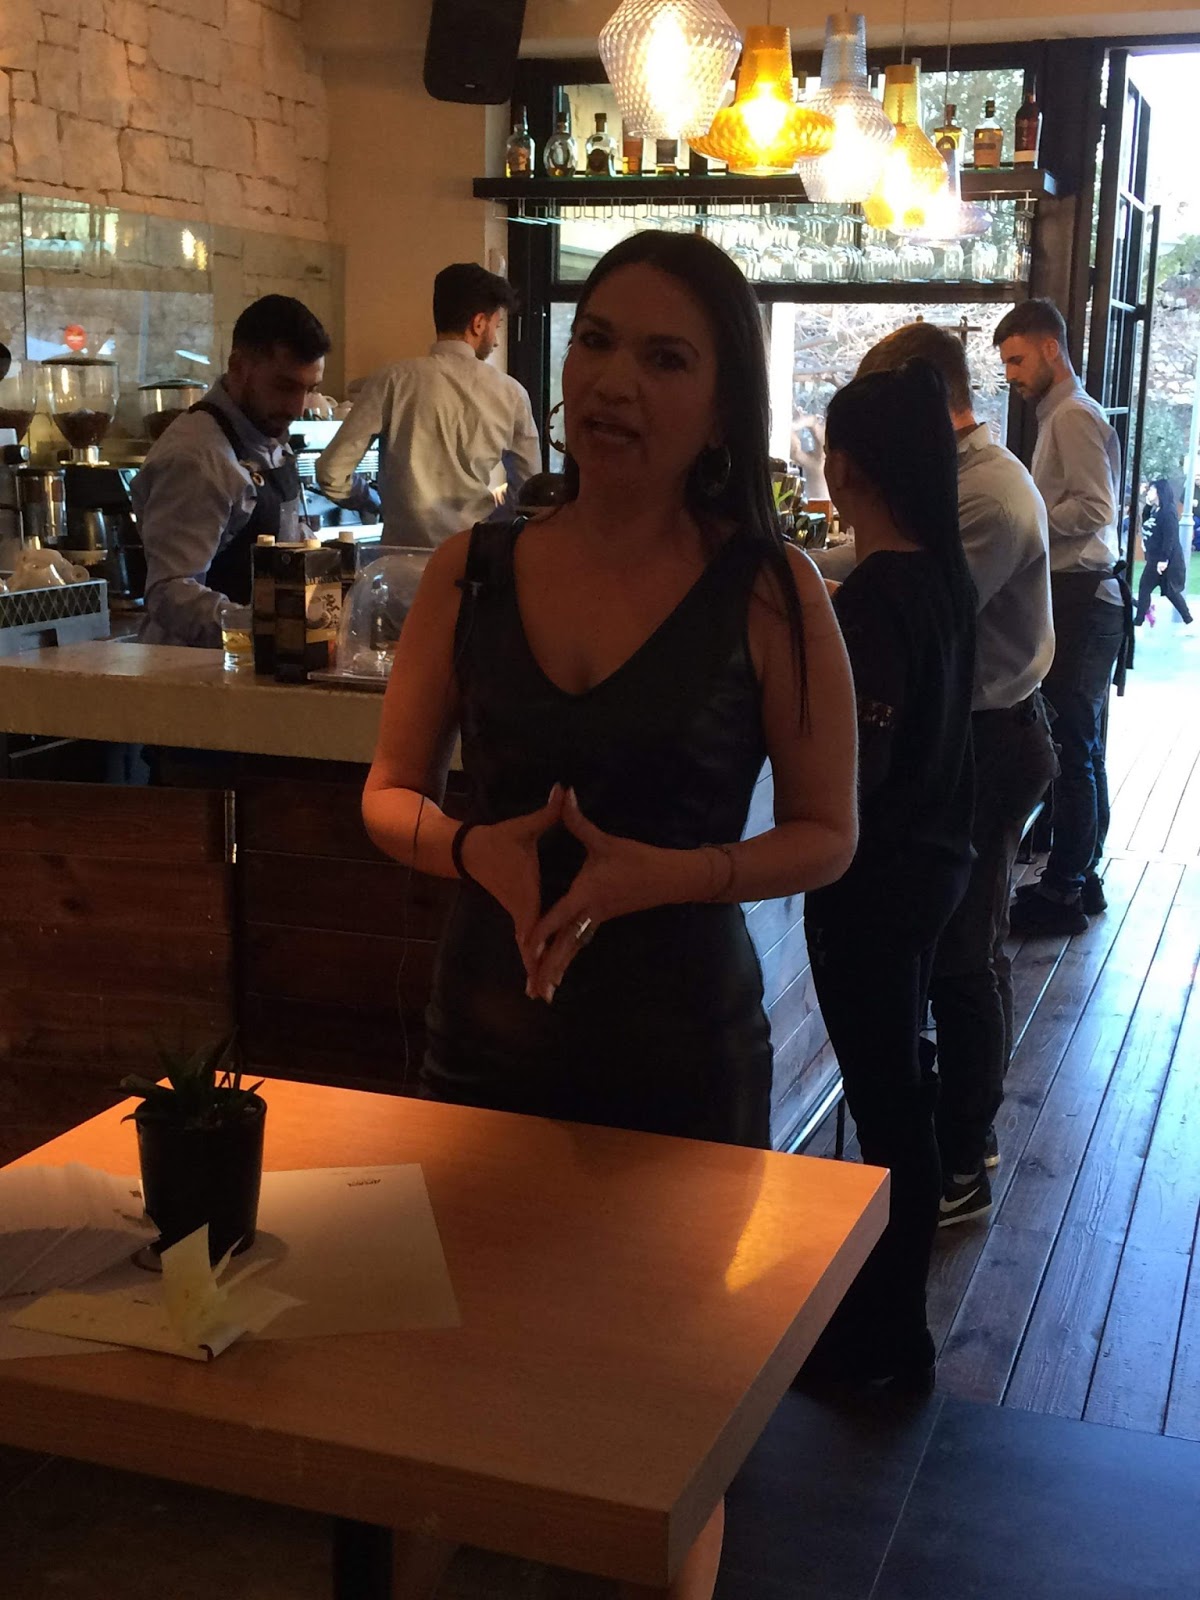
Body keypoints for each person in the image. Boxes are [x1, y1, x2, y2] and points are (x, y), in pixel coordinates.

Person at [361, 229, 858, 1599]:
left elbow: (829, 835)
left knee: (668, 1427)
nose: (615, 380)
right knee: (448, 1400)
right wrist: (473, 849)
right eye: (595, 342)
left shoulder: (774, 590)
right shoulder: (471, 569)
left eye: (666, 357)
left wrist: (670, 873)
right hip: (484, 1045)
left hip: (682, 1058)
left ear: (722, 406)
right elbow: (389, 796)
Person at [856, 322, 1057, 1223]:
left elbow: (916, 611)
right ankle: (962, 1132)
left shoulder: (986, 498)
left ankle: (963, 1159)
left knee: (965, 955)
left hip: (991, 738)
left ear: (926, 401)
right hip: (977, 732)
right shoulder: (960, 480)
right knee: (961, 948)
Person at [802, 361, 976, 1390]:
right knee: (902, 1087)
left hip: (874, 884)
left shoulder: (875, 600)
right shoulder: (944, 576)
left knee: (887, 1107)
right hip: (934, 865)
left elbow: (852, 775)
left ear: (847, 469)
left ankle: (889, 1336)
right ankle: (890, 1323)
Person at [994, 299, 1129, 937]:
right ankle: (1081, 876)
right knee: (1084, 746)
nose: (1012, 375)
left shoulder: (1072, 414)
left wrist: (1029, 520)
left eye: (1018, 360)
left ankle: (1064, 890)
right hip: (1090, 596)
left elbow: (1096, 507)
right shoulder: (1066, 413)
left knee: (1072, 748)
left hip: (1081, 593)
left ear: (1052, 348)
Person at [135, 295, 331, 648]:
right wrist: (265, 630)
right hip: (194, 669)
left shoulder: (267, 435)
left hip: (253, 664)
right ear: (238, 366)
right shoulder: (197, 458)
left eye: (310, 390)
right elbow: (170, 593)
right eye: (285, 386)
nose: (297, 407)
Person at [316, 263, 541, 546]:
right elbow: (529, 489)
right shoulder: (511, 393)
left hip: (398, 559)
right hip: (471, 557)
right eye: (496, 326)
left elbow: (331, 473)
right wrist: (491, 522)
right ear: (478, 323)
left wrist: (374, 501)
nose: (496, 341)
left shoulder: (392, 380)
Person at [1136, 477, 1192, 626]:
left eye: (1152, 489)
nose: (1149, 492)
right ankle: (1139, 620)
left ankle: (1187, 619)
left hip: (1164, 560)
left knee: (1170, 592)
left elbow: (1170, 538)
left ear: (1160, 492)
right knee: (1146, 588)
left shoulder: (1168, 512)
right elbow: (1147, 523)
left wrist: (1164, 559)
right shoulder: (1156, 510)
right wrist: (1147, 507)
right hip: (1154, 558)